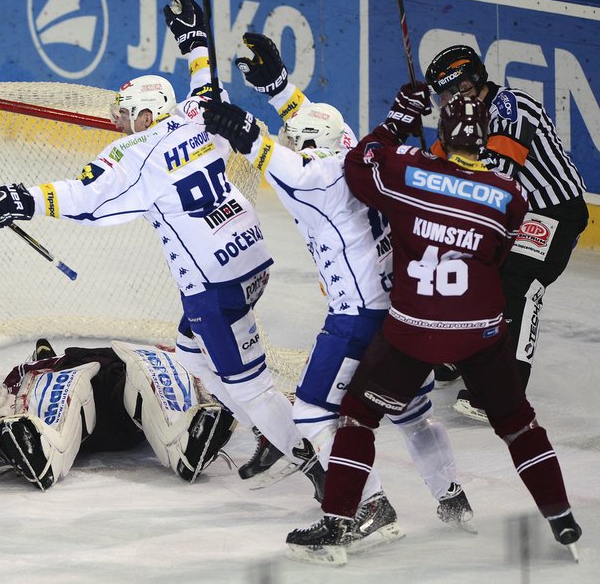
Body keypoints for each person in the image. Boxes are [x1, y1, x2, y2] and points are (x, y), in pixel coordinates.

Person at [0, 0, 326, 501]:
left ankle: (315, 467)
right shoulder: (199, 115)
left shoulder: (134, 152)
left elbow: (85, 199)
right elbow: (208, 87)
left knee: (252, 385)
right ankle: (272, 431)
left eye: (125, 113)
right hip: (253, 260)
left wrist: (20, 198)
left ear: (144, 112)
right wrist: (195, 43)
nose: (118, 123)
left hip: (212, 284)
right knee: (191, 355)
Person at [283, 83, 581, 566]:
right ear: (485, 138)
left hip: (412, 332)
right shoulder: (510, 195)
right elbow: (499, 252)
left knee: (358, 415)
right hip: (480, 332)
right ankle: (561, 518)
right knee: (519, 425)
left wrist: (399, 117)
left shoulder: (409, 171)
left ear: (442, 131)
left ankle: (338, 522)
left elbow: (358, 164)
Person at [202, 31, 475, 551]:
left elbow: (268, 153)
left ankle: (370, 507)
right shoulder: (360, 154)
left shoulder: (317, 179)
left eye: (296, 141)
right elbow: (315, 126)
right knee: (413, 413)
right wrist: (279, 89)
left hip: (356, 319)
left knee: (312, 412)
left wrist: (241, 127)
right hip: (403, 311)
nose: (291, 144)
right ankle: (452, 498)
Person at [424, 45, 589, 420]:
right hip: (511, 214)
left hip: (551, 212)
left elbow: (497, 177)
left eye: (451, 92)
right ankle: (457, 355)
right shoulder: (461, 115)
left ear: (471, 82)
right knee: (461, 269)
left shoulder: (511, 108)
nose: (446, 101)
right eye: (441, 96)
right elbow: (435, 167)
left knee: (519, 285)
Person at [0, 338, 236, 490]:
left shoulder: (38, 369)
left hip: (111, 414)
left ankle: (43, 453)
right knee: (150, 371)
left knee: (147, 371)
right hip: (123, 422)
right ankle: (185, 441)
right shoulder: (42, 370)